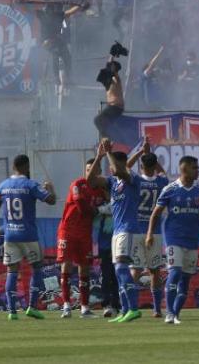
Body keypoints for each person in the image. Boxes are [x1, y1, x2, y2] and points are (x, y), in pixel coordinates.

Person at [146, 156, 199, 324]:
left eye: (198, 167)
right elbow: (156, 213)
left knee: (185, 279)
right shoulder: (170, 189)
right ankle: (169, 312)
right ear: (184, 169)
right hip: (173, 238)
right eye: (194, 168)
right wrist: (149, 234)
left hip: (192, 240)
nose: (198, 170)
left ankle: (175, 314)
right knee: (175, 272)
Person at [0, 155, 57, 320]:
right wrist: (51, 189)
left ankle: (12, 311)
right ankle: (32, 307)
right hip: (28, 235)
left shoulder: (3, 186)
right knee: (37, 267)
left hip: (10, 236)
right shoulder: (30, 185)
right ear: (27, 167)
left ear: (13, 166)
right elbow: (51, 201)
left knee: (11, 271)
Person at [86, 139, 143, 323]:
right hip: (117, 231)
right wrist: (99, 156)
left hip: (128, 229)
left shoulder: (131, 178)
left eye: (112, 163)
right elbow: (91, 181)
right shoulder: (112, 181)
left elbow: (119, 170)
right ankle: (125, 310)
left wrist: (109, 153)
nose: (110, 167)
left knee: (121, 267)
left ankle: (133, 308)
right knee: (119, 271)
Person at [56, 158, 107, 318]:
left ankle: (84, 308)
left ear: (98, 172)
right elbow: (82, 208)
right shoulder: (77, 185)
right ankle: (66, 306)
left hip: (85, 233)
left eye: (93, 170)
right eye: (87, 170)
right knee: (66, 266)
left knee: (84, 267)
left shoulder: (102, 190)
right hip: (68, 231)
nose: (89, 173)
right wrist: (99, 210)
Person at [126, 137, 168, 318]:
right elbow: (164, 173)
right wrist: (150, 155)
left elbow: (126, 167)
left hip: (137, 231)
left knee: (135, 269)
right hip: (155, 231)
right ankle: (157, 309)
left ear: (141, 167)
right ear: (154, 166)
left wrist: (141, 153)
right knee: (155, 270)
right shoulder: (161, 182)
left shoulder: (136, 180)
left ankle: (129, 307)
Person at [93, 60, 124, 138]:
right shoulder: (108, 83)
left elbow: (114, 75)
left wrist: (113, 67)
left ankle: (107, 138)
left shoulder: (115, 79)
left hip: (116, 107)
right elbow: (106, 68)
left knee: (97, 120)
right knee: (102, 122)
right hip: (112, 107)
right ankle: (108, 138)